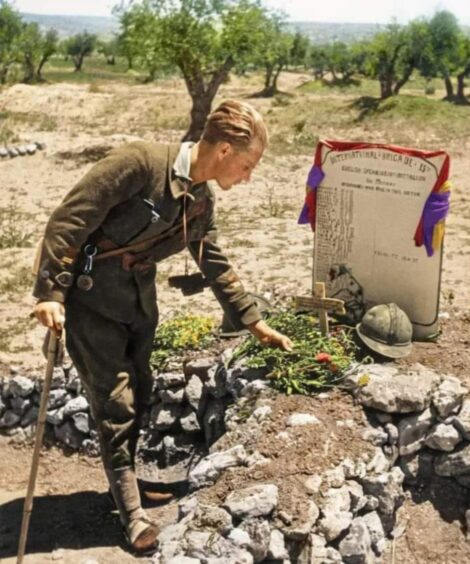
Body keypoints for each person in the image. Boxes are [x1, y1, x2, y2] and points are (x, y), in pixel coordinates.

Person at [31, 100, 293, 554]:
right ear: (226, 151)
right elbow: (69, 220)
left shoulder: (200, 198)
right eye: (249, 165)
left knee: (143, 389)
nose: (249, 177)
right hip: (91, 303)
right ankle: (132, 513)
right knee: (116, 401)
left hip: (137, 306)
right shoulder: (139, 163)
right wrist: (50, 294)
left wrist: (253, 322)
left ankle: (124, 481)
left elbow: (212, 260)